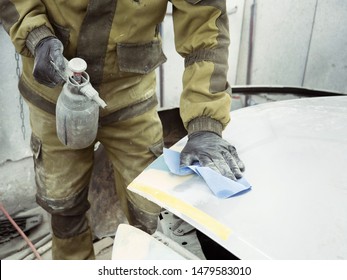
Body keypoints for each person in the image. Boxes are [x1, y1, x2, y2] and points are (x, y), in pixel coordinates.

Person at [0, 0, 245, 259]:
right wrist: (36, 36)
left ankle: (141, 265)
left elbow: (205, 24)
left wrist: (205, 124)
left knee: (151, 209)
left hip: (130, 98)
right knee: (63, 205)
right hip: (54, 96)